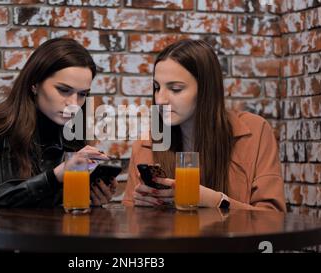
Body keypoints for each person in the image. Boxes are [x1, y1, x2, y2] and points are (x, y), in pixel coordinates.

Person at [0, 38, 117, 212]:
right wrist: (54, 178)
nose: (73, 103)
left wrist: (90, 201)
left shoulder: (73, 139)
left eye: (82, 94)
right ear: (35, 85)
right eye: (63, 90)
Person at [123, 39, 286, 212]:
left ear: (206, 90)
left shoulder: (255, 132)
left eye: (176, 89)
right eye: (157, 88)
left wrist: (215, 201)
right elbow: (129, 221)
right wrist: (140, 209)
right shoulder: (145, 146)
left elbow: (273, 219)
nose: (160, 99)